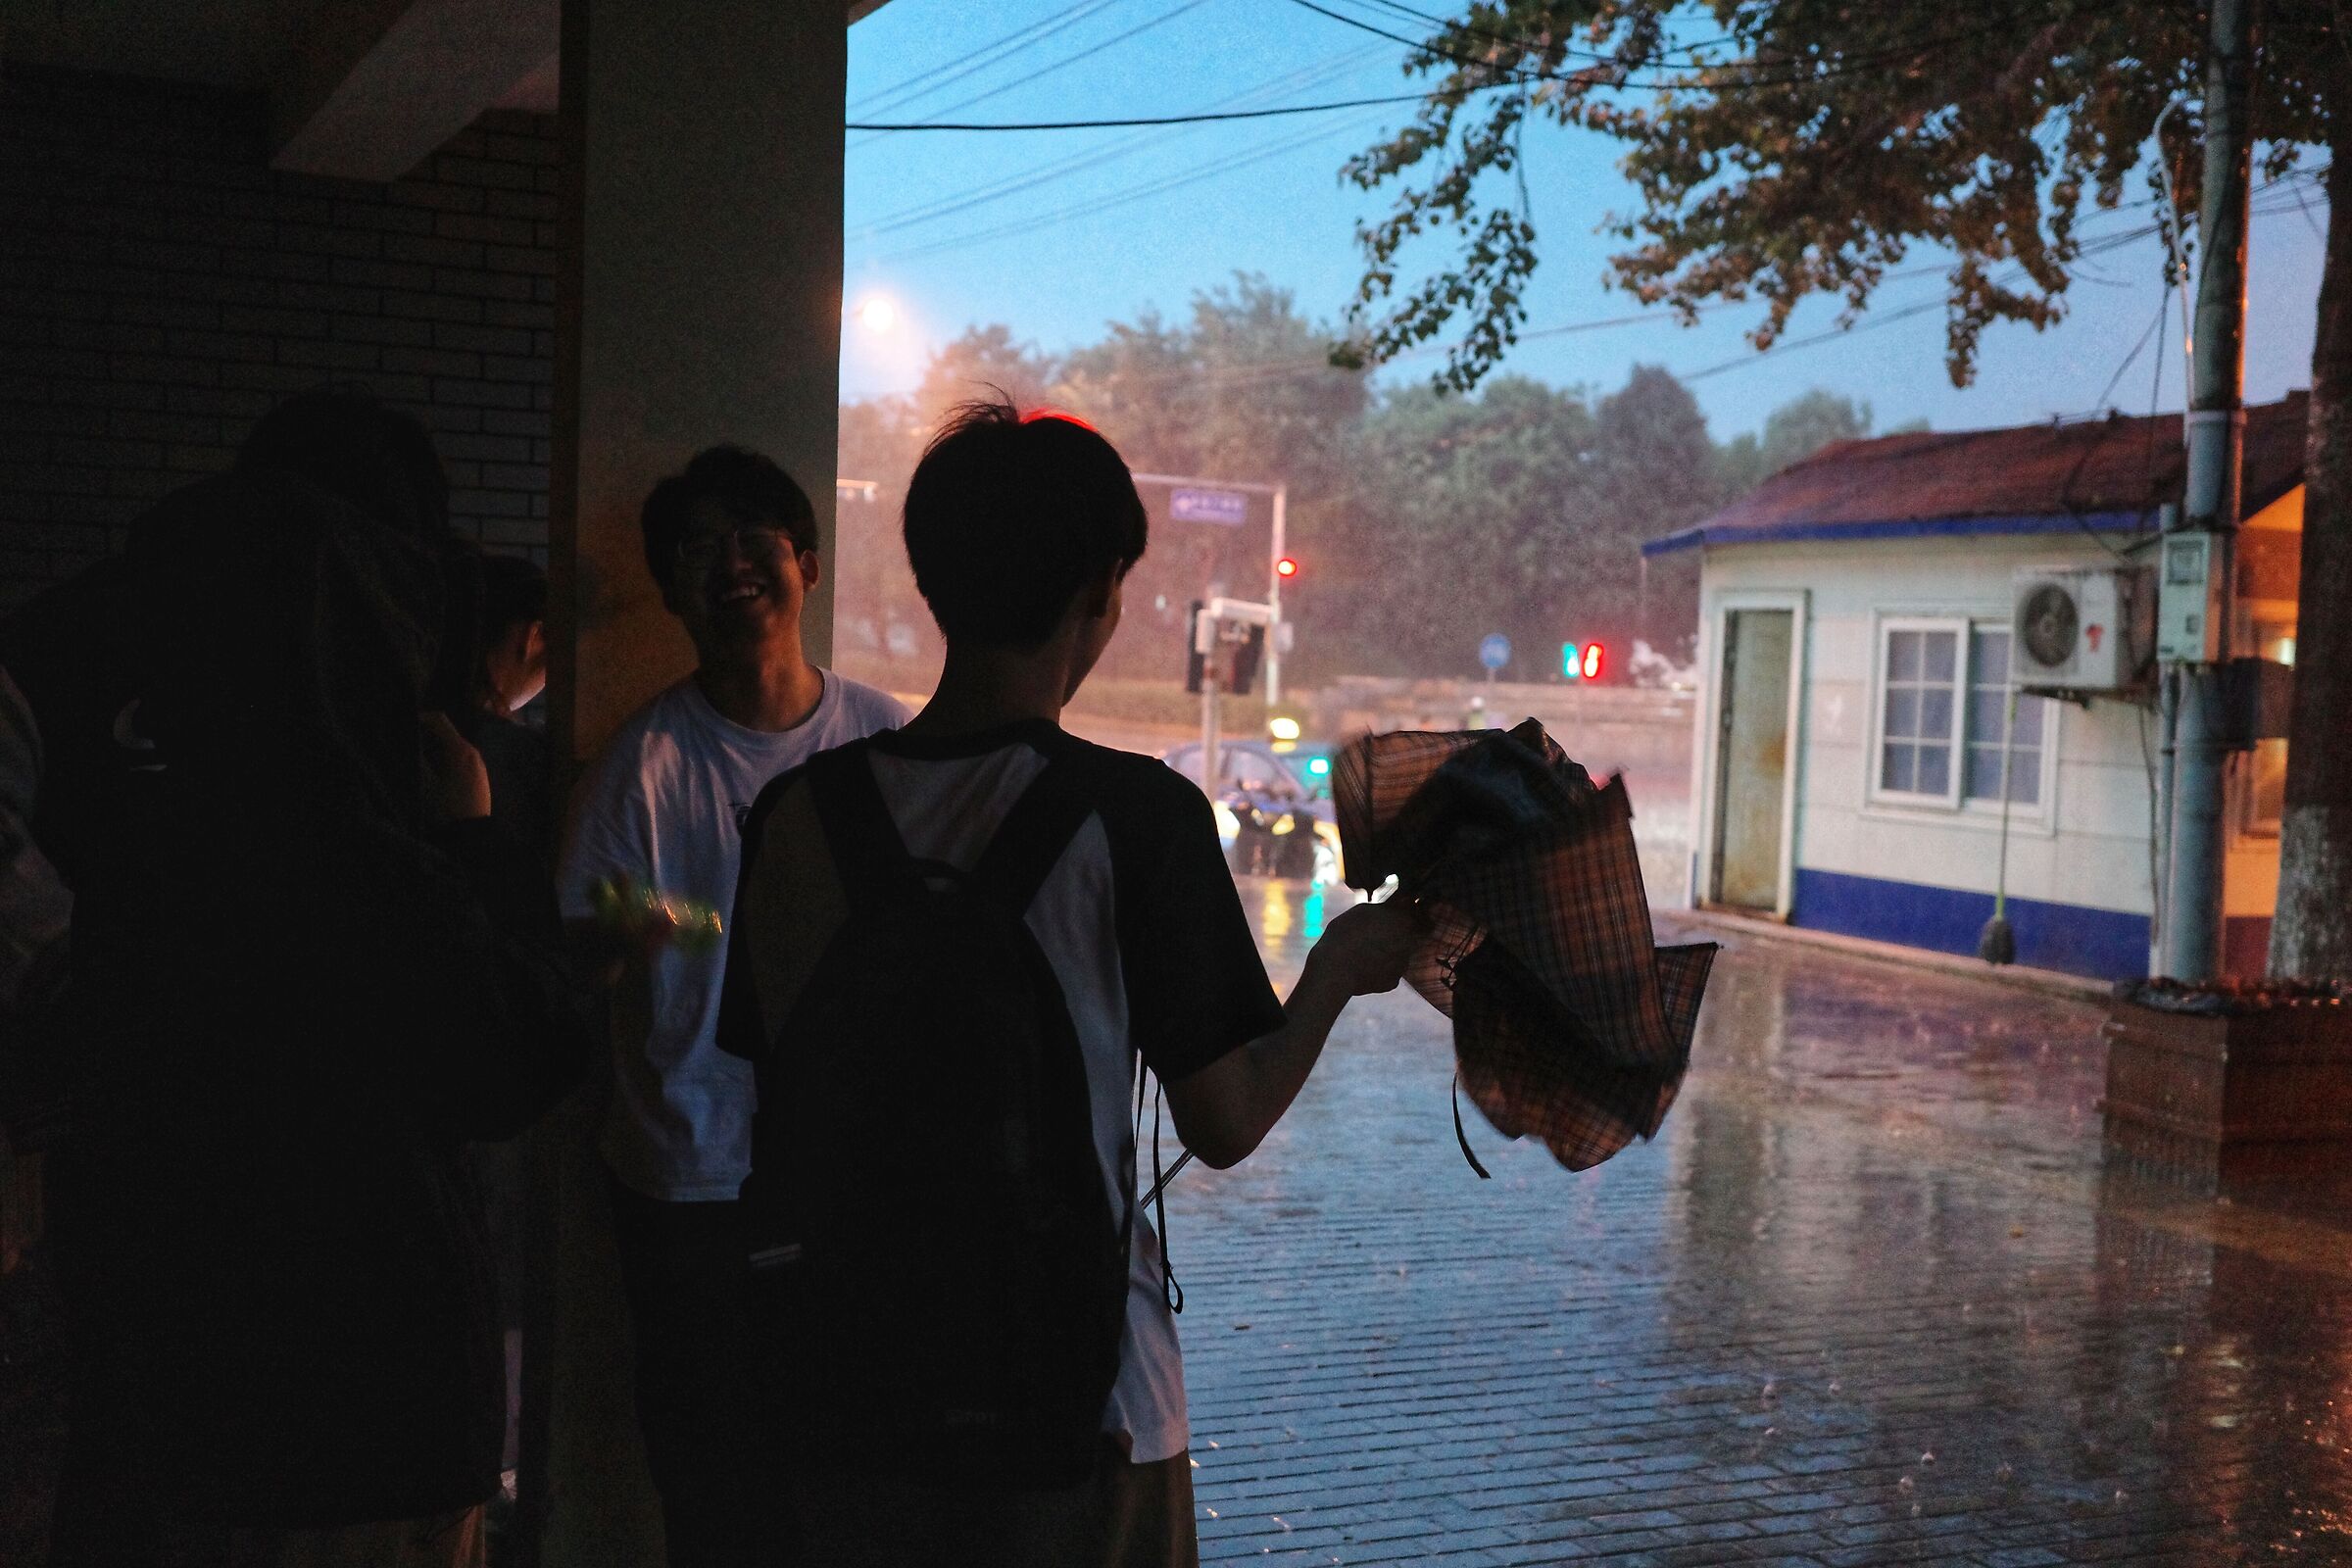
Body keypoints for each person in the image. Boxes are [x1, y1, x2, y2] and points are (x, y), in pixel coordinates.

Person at [717, 401, 1421, 1567]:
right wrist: (1339, 970)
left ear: (933, 579)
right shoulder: (1137, 816)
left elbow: (774, 1089)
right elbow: (1227, 1117)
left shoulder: (796, 818)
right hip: (1080, 1402)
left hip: (842, 1390)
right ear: (1100, 590)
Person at [42, 468, 587, 1568]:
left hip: (164, 1412)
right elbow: (512, 1062)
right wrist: (468, 837)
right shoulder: (354, 849)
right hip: (368, 1417)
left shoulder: (136, 829)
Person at [557, 445, 907, 1566]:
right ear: (669, 590)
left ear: (807, 562)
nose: (733, 565)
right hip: (691, 1174)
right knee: (709, 1472)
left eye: (756, 539)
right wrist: (614, 944)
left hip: (850, 1166)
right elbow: (573, 956)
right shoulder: (643, 765)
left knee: (852, 1457)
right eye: (700, 549)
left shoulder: (883, 743)